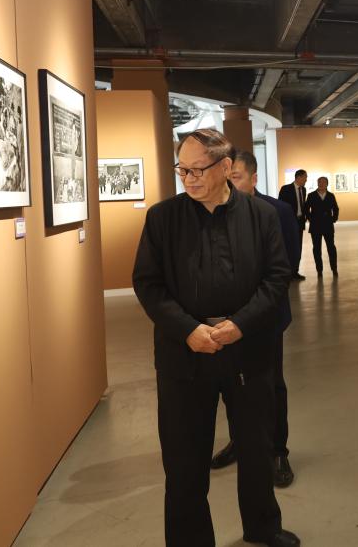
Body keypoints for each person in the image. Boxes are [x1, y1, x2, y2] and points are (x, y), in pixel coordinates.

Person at [132, 129, 299, 547]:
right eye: (182, 170)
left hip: (248, 349)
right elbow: (148, 283)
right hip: (184, 355)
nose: (189, 179)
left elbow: (277, 276)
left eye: (198, 170)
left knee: (256, 448)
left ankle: (263, 527)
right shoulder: (162, 218)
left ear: (226, 167)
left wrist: (240, 324)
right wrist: (188, 329)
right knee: (184, 461)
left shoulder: (260, 216)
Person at [209, 150, 300, 488]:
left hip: (266, 319)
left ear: (254, 178)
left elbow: (285, 268)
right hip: (225, 321)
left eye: (236, 178)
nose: (230, 185)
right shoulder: (213, 212)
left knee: (271, 385)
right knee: (230, 385)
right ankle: (240, 441)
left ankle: (277, 451)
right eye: (227, 177)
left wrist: (252, 311)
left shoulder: (277, 212)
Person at [277, 170, 308, 281]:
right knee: (288, 247)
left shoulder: (303, 190)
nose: (306, 180)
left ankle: (295, 271)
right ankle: (287, 272)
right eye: (305, 177)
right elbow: (280, 205)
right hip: (289, 223)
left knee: (298, 247)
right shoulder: (286, 189)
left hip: (299, 222)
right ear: (299, 177)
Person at [305, 176, 339, 277]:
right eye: (320, 182)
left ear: (327, 184)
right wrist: (311, 219)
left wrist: (333, 219)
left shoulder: (331, 196)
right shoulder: (311, 195)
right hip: (315, 226)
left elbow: (336, 208)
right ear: (317, 183)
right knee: (316, 249)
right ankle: (319, 270)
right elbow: (306, 209)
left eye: (324, 182)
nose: (321, 184)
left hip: (328, 225)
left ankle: (334, 268)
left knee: (331, 248)